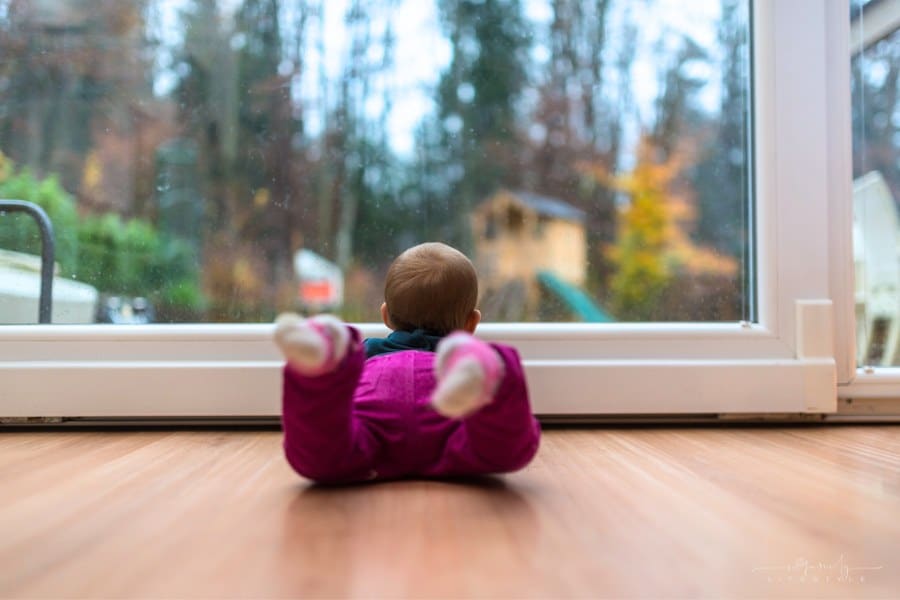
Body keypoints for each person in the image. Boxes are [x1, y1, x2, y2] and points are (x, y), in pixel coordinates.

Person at [274, 242, 540, 484]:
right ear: (471, 323)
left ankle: (324, 368)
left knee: (322, 455)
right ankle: (493, 372)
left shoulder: (370, 351)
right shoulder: (459, 369)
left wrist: (338, 370)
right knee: (504, 449)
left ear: (386, 315)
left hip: (373, 425)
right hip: (448, 419)